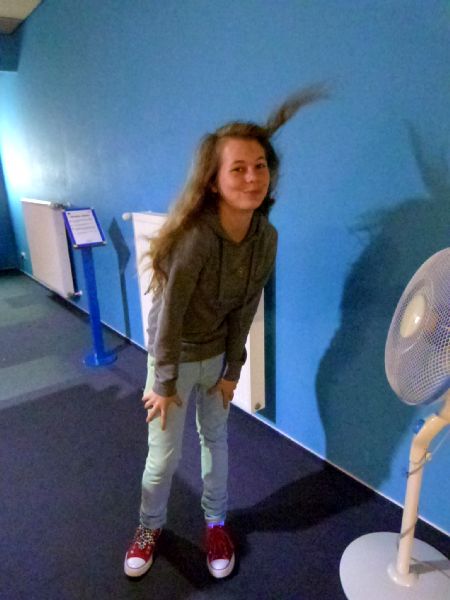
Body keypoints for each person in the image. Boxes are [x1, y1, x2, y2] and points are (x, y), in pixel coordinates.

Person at [124, 85, 327, 579]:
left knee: (216, 442)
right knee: (163, 458)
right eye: (238, 168)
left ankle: (216, 525)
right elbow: (168, 316)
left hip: (216, 357)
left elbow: (246, 306)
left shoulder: (266, 238)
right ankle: (149, 527)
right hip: (173, 358)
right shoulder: (195, 237)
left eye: (260, 166)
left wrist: (234, 369)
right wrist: (163, 382)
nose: (252, 177)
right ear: (213, 181)